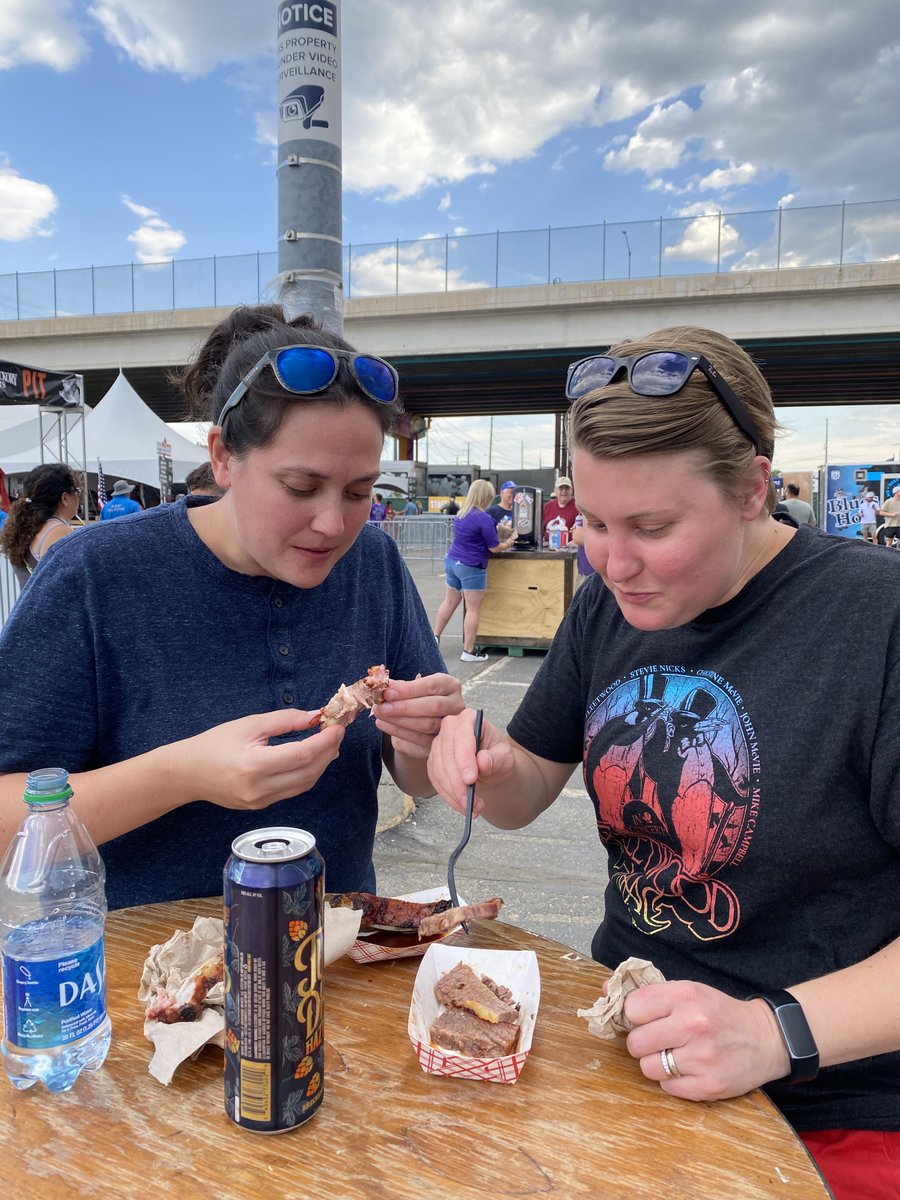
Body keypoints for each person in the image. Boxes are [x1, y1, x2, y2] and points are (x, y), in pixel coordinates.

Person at [426, 326, 900, 1200]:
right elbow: (529, 780)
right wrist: (487, 763)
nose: (613, 560)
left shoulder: (874, 620)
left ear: (754, 488)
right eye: (595, 523)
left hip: (838, 1096)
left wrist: (774, 1032)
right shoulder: (609, 602)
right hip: (626, 1047)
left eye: (652, 526)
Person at [0, 303, 462, 911]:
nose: (333, 524)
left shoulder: (373, 563)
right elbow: (11, 820)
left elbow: (414, 779)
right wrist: (182, 774)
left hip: (339, 961)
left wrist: (423, 740)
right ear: (222, 457)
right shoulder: (94, 575)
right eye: (300, 487)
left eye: (359, 492)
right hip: (153, 978)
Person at [433, 479, 515, 662]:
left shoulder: (461, 514)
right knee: (473, 609)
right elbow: (494, 547)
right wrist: (508, 543)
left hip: (452, 561)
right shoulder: (483, 518)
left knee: (449, 602)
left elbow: (477, 532)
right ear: (486, 496)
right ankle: (468, 651)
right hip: (471, 566)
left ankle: (434, 637)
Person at [0, 463, 81, 589]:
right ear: (65, 498)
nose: (78, 497)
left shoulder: (24, 527)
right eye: (77, 492)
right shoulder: (59, 531)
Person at [542, 475, 577, 540]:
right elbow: (540, 530)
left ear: (571, 490)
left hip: (569, 548)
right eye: (561, 488)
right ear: (555, 490)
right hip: (548, 547)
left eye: (567, 488)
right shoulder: (547, 506)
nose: (564, 491)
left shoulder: (578, 507)